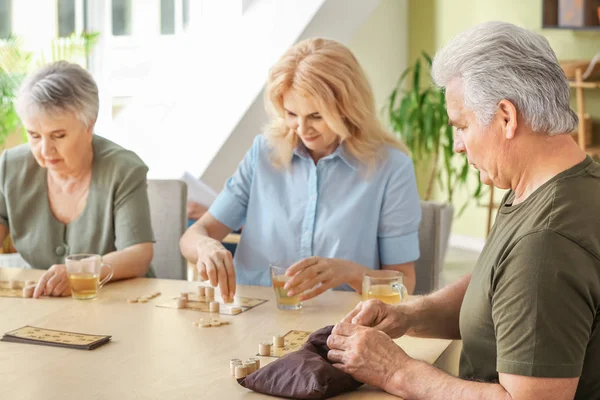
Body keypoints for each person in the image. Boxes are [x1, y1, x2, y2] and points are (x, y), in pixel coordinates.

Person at [326, 21, 600, 399]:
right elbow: (500, 285)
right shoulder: (560, 186)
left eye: (462, 126)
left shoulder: (546, 242)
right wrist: (410, 315)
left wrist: (396, 371)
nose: (457, 145)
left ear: (506, 117)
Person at [180, 38, 421, 302]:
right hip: (254, 313)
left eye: (316, 116)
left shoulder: (390, 168)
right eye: (291, 114)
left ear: (348, 109)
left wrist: (349, 272)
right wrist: (206, 247)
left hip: (338, 325)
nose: (302, 129)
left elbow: (403, 283)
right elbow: (193, 236)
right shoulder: (264, 153)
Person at [1, 61, 155, 298]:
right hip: (44, 305)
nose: (45, 149)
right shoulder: (11, 165)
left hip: (122, 301)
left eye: (58, 135)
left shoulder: (123, 169)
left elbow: (138, 254)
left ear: (89, 125)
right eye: (34, 135)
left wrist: (80, 272)